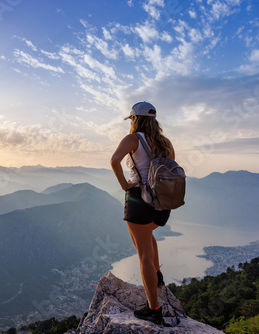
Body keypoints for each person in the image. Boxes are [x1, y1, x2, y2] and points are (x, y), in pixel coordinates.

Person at [110, 101, 174, 325]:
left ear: (135, 119)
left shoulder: (133, 139)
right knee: (149, 237)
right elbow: (171, 170)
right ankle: (157, 275)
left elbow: (114, 161)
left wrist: (125, 186)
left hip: (139, 201)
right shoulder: (165, 143)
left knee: (143, 254)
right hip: (162, 204)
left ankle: (153, 308)